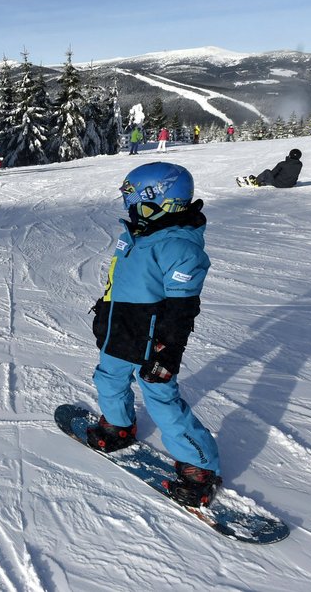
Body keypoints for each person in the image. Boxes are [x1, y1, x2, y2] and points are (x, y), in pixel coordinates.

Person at [81, 162, 221, 507]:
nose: (131, 209)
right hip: (121, 329)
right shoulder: (135, 235)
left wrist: (168, 351)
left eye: (137, 202)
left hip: (153, 339)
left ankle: (200, 466)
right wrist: (105, 313)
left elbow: (181, 309)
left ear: (163, 201)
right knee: (108, 379)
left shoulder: (179, 248)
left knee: (160, 398)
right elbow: (118, 284)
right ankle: (118, 426)